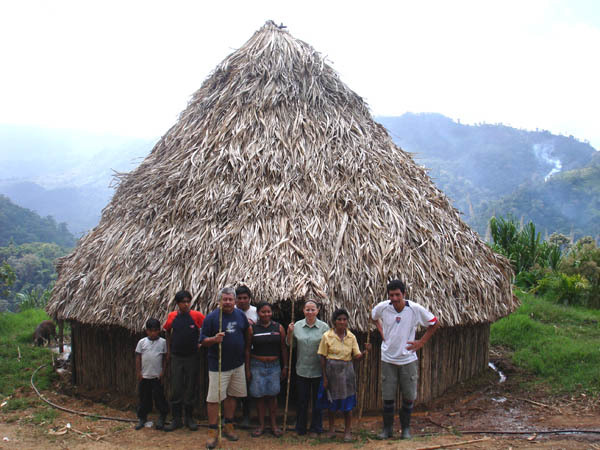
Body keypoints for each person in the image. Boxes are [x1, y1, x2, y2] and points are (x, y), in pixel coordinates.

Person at [371, 279, 439, 440]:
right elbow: (374, 316)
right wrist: (382, 332)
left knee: (409, 396)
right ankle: (387, 429)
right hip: (388, 358)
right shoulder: (383, 307)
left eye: (397, 295)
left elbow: (434, 323)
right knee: (388, 396)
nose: (394, 298)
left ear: (404, 294)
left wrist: (421, 342)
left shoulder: (414, 309)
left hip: (407, 359)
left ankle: (406, 429)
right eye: (391, 295)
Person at [201, 287, 250, 449]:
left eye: (230, 299)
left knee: (232, 395)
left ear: (235, 301)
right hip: (218, 366)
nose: (228, 302)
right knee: (214, 399)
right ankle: (213, 430)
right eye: (225, 299)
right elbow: (202, 341)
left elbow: (246, 333)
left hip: (237, 365)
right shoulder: (212, 318)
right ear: (219, 301)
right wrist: (214, 340)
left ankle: (229, 425)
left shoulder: (240, 315)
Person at [317, 308, 370, 442]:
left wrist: (365, 352)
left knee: (347, 404)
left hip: (347, 372)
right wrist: (324, 377)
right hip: (331, 372)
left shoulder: (351, 337)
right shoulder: (327, 336)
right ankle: (331, 429)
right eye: (339, 319)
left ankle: (347, 431)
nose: (342, 322)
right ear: (334, 322)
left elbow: (357, 356)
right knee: (331, 402)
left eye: (344, 319)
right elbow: (322, 357)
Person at [163, 290, 205, 432]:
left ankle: (189, 418)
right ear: (177, 303)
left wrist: (201, 343)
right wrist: (169, 350)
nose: (186, 304)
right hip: (176, 356)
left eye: (188, 301)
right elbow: (167, 331)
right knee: (176, 387)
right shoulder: (172, 316)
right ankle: (176, 419)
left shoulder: (197, 316)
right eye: (183, 302)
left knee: (190, 386)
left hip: (192, 356)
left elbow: (205, 328)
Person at [245, 302, 288, 437]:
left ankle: (274, 425)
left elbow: (283, 348)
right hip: (257, 365)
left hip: (274, 366)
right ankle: (261, 425)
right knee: (259, 396)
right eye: (263, 312)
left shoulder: (278, 328)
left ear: (272, 313)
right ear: (258, 313)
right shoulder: (252, 329)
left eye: (268, 311)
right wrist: (247, 369)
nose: (266, 314)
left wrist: (285, 366)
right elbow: (247, 349)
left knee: (272, 395)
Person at [287, 300, 328, 437]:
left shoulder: (324, 327)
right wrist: (289, 333)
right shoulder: (297, 326)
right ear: (303, 310)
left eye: (312, 310)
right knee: (302, 401)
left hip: (318, 370)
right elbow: (290, 345)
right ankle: (301, 428)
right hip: (302, 369)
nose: (310, 312)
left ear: (318, 310)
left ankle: (316, 428)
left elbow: (328, 347)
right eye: (307, 310)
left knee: (317, 401)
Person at [134, 318, 168, 430]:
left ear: (159, 330)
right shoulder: (142, 342)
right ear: (146, 331)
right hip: (145, 376)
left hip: (157, 376)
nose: (153, 333)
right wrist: (139, 372)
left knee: (159, 398)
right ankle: (142, 418)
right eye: (151, 331)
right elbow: (138, 357)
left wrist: (163, 372)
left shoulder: (163, 342)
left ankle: (162, 417)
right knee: (144, 398)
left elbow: (164, 358)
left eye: (155, 330)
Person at [235, 284, 257, 427]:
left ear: (250, 299)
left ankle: (247, 415)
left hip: (254, 352)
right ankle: (231, 415)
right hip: (236, 352)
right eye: (240, 298)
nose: (242, 300)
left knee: (249, 384)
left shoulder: (256, 312)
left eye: (245, 298)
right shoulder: (232, 311)